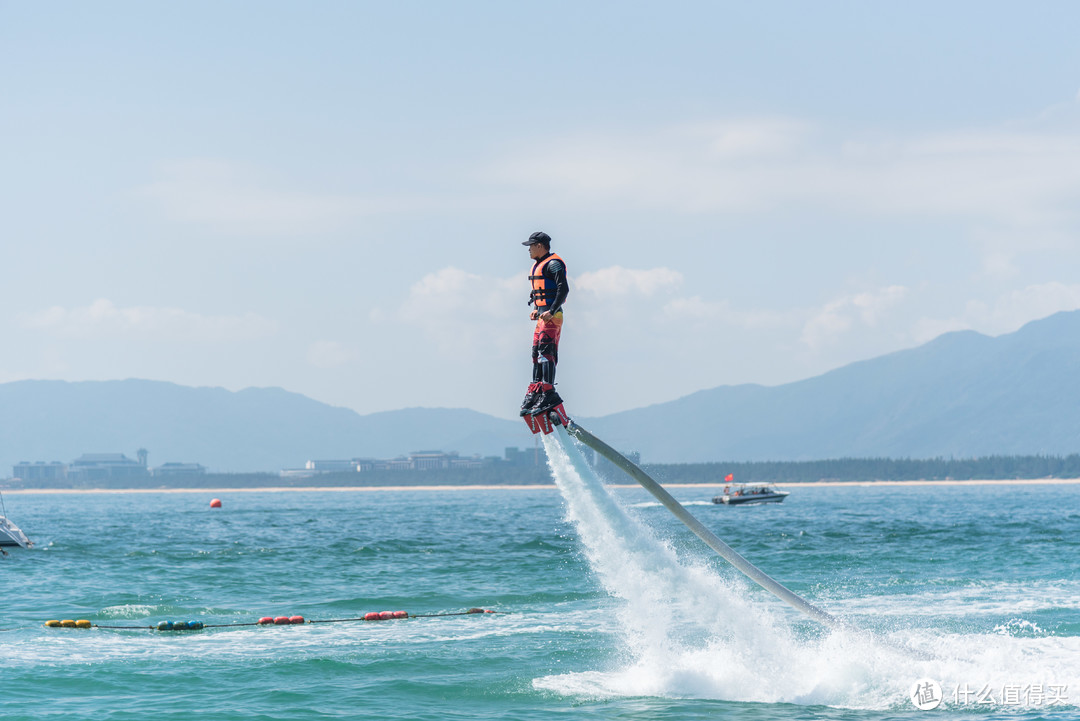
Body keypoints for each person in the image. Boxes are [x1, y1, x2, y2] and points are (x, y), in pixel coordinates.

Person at [520, 231, 569, 416]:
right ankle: (536, 389)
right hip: (542, 316)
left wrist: (552, 309)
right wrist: (537, 308)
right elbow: (541, 292)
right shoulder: (539, 265)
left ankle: (548, 392)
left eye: (531, 246)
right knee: (536, 353)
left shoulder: (553, 264)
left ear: (540, 246)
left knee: (546, 352)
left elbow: (563, 289)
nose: (529, 250)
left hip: (552, 316)